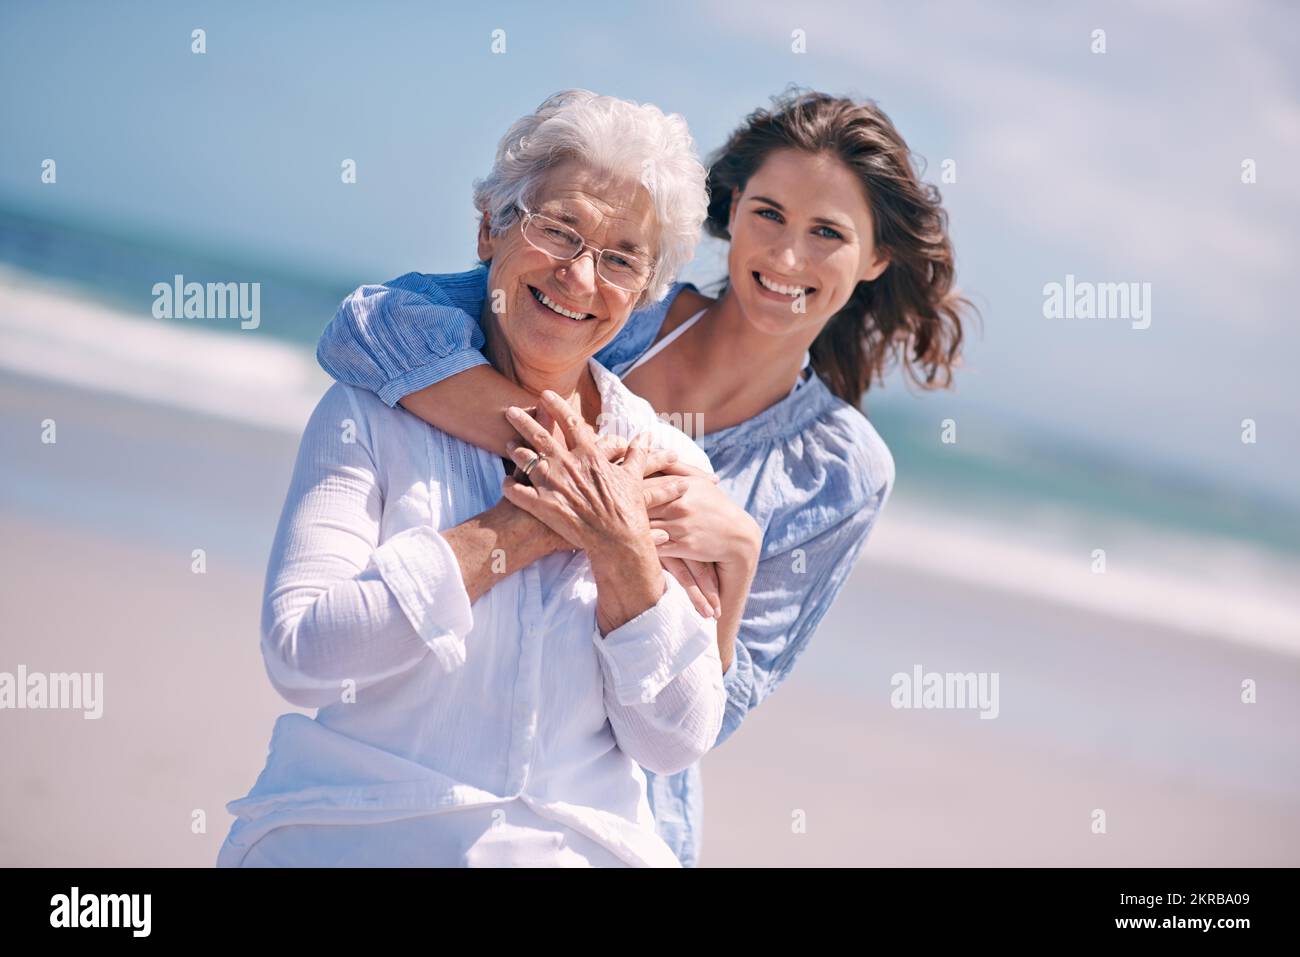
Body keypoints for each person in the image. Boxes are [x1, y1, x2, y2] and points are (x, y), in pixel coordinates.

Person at [315, 87, 976, 866]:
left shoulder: (842, 470)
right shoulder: (614, 301)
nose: (786, 256)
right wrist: (593, 482)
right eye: (768, 213)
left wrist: (740, 559)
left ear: (874, 259)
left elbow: (710, 717)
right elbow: (372, 327)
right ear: (730, 210)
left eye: (826, 232)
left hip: (622, 825)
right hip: (446, 764)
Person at [217, 89, 753, 867]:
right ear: (488, 228)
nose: (579, 275)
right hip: (358, 836)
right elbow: (301, 655)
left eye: (620, 259)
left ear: (643, 295)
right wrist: (523, 528)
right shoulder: (371, 409)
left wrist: (623, 555)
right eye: (558, 230)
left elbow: (672, 739)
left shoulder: (664, 465)